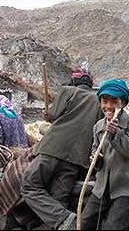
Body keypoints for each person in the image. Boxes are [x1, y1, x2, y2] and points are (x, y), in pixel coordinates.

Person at [20, 70, 104, 230]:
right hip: (78, 157)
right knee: (59, 197)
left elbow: (54, 114)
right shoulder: (99, 101)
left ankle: (66, 220)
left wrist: (48, 114)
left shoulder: (68, 91)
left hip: (54, 148)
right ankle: (64, 223)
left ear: (74, 82)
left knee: (29, 185)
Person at [81, 79, 129, 230]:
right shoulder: (98, 126)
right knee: (84, 222)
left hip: (124, 188)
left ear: (122, 103)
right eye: (105, 101)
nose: (109, 106)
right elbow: (95, 150)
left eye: (114, 101)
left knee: (114, 226)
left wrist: (117, 134)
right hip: (101, 187)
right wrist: (95, 158)